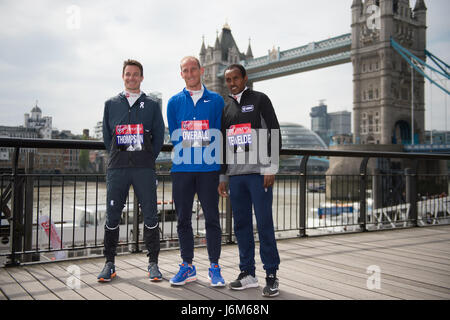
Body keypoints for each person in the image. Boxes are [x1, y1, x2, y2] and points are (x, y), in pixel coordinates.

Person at [98, 59, 165, 282]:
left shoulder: (153, 105)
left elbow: (158, 137)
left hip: (144, 169)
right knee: (113, 215)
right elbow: (108, 137)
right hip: (117, 168)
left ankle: (153, 263)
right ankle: (109, 263)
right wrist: (119, 154)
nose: (131, 78)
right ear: (123, 76)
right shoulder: (111, 104)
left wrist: (146, 157)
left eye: (136, 74)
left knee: (150, 215)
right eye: (128, 74)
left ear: (141, 78)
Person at [218, 64, 281, 297]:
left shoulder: (260, 99)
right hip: (235, 176)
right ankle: (248, 273)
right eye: (228, 79)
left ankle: (272, 275)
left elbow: (273, 132)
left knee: (264, 224)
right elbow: (223, 144)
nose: (232, 82)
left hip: (258, 174)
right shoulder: (226, 109)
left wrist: (271, 167)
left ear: (245, 78)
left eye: (236, 78)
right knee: (241, 226)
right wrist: (223, 175)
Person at [167, 56, 225, 287]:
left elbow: (219, 137)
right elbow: (175, 135)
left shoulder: (217, 101)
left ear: (202, 71)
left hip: (209, 170)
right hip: (182, 169)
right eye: (185, 70)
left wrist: (222, 173)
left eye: (193, 69)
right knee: (183, 220)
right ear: (181, 74)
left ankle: (214, 267)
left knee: (212, 219)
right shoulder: (172, 102)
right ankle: (187, 266)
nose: (190, 73)